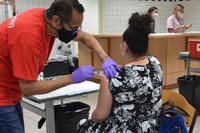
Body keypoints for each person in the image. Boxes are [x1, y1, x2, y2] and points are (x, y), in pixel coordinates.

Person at [0, 0, 120, 133]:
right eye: (74, 28)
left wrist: (106, 58)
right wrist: (72, 77)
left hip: (11, 91)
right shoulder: (29, 36)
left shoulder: (45, 18)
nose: (76, 32)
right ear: (56, 21)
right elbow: (28, 88)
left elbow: (85, 37)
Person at [77, 12, 163, 133]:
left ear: (124, 46)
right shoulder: (156, 63)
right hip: (152, 127)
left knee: (82, 124)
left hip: (123, 130)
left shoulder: (111, 77)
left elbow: (99, 116)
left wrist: (92, 117)